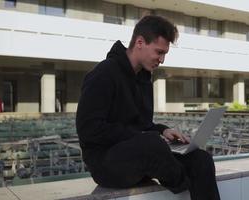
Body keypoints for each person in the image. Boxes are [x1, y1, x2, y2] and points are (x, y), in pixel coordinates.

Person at [76, 15, 220, 200]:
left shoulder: (143, 78)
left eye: (165, 54)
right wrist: (145, 137)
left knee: (200, 159)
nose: (162, 60)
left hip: (141, 155)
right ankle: (182, 181)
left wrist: (163, 130)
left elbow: (141, 125)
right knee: (152, 144)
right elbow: (88, 130)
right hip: (106, 163)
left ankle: (184, 175)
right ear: (140, 42)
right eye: (159, 52)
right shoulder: (104, 74)